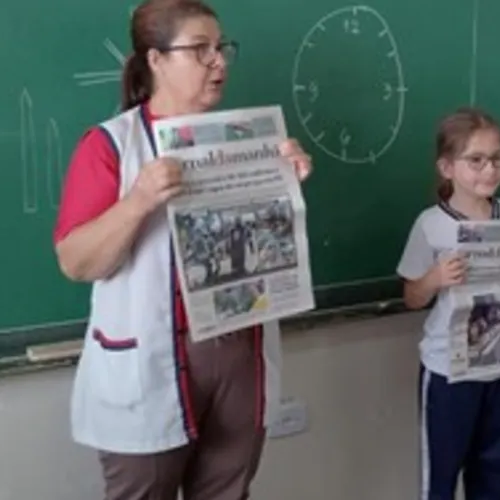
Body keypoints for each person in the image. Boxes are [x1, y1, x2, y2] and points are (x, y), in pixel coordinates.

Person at [52, 1, 313, 499]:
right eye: (200, 49)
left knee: (228, 490)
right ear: (155, 59)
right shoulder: (110, 146)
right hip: (149, 361)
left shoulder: (246, 139)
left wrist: (284, 182)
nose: (219, 61)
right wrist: (139, 200)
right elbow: (76, 261)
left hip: (238, 349)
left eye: (222, 48)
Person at [396, 108, 500, 500]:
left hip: (499, 365)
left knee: (493, 471)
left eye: (496, 159)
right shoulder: (430, 224)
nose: (489, 170)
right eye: (476, 160)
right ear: (447, 167)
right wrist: (435, 278)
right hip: (448, 373)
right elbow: (411, 297)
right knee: (441, 473)